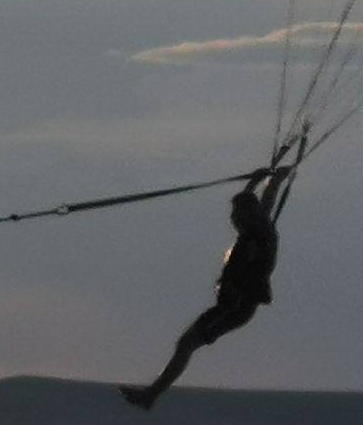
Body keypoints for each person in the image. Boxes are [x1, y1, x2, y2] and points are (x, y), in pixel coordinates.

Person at [120, 161, 293, 411]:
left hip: (236, 307)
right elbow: (263, 202)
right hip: (233, 306)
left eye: (238, 215)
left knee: (187, 344)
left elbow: (264, 202)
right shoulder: (257, 229)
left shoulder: (258, 235)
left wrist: (271, 182)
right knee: (185, 344)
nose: (233, 219)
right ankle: (151, 394)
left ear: (246, 215)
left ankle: (151, 396)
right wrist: (261, 182)